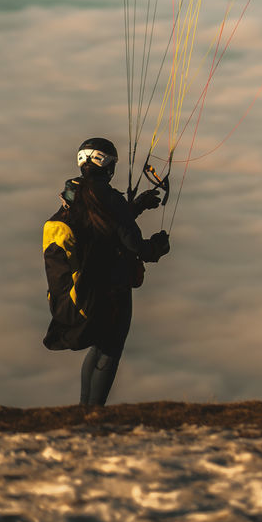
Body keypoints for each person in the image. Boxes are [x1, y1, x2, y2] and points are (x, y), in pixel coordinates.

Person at [43, 137, 170, 406]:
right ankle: (94, 416)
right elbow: (134, 244)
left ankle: (85, 411)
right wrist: (157, 248)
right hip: (111, 289)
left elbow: (99, 224)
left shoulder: (73, 193)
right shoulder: (110, 198)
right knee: (110, 349)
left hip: (85, 287)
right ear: (110, 166)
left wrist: (134, 207)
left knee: (99, 347)